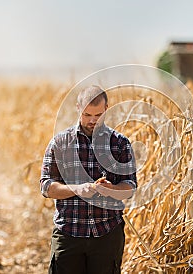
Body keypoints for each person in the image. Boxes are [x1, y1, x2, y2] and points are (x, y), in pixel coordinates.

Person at [40, 86, 137, 274]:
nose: (92, 120)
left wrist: (111, 189)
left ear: (107, 108)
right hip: (68, 232)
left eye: (98, 115)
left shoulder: (120, 144)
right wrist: (77, 189)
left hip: (107, 233)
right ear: (78, 108)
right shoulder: (60, 143)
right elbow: (46, 187)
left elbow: (130, 187)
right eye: (87, 115)